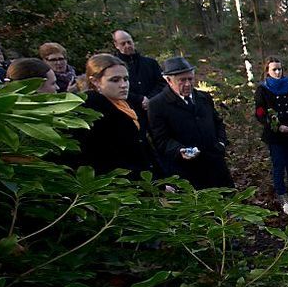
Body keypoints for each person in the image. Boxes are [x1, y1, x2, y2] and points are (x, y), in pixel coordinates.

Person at [147, 56, 233, 189]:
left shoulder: (203, 97)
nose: (187, 84)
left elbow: (217, 122)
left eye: (190, 79)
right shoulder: (157, 105)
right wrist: (179, 150)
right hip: (188, 172)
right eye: (182, 80)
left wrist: (221, 143)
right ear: (169, 80)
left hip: (216, 165)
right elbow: (161, 139)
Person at [77, 53, 153, 178]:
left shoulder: (125, 104)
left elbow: (143, 147)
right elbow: (105, 161)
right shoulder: (91, 112)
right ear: (95, 81)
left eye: (126, 79)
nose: (123, 85)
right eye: (115, 80)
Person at [256, 56, 288, 215]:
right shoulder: (263, 89)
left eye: (279, 69)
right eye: (274, 69)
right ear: (267, 71)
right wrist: (277, 127)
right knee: (279, 166)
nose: (278, 72)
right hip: (275, 135)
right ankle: (283, 199)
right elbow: (260, 113)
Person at [113, 29, 165, 107]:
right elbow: (115, 88)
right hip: (129, 108)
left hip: (155, 107)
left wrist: (150, 99)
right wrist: (140, 99)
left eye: (129, 42)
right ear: (116, 45)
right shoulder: (114, 67)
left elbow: (162, 83)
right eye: (123, 44)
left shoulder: (150, 63)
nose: (127, 46)